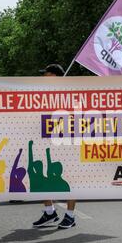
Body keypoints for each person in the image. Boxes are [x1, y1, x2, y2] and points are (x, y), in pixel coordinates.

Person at [32, 64, 77, 229]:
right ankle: (49, 212)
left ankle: (70, 216)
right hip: (46, 140)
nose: (44, 79)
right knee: (40, 175)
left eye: (48, 75)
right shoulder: (43, 94)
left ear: (58, 77)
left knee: (71, 179)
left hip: (67, 142)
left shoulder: (70, 94)